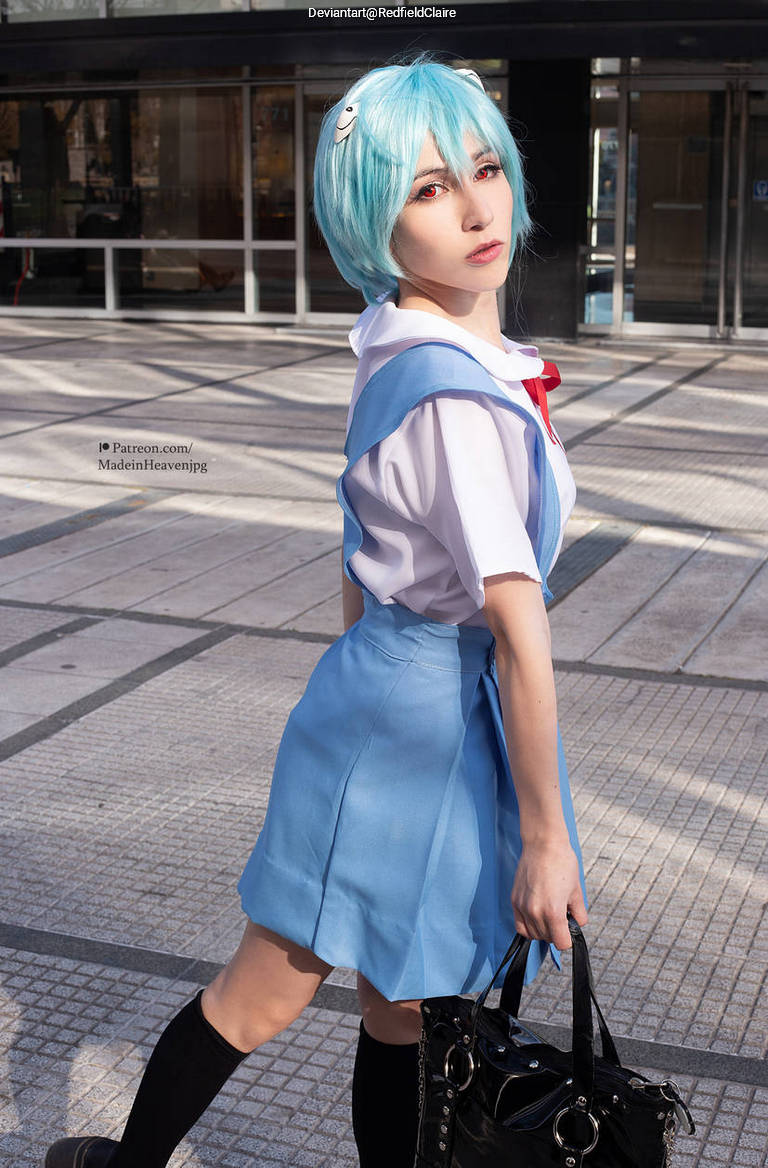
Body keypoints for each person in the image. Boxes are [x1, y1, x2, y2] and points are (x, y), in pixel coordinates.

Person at [44, 51, 589, 1168]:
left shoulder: (417, 345)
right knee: (268, 991)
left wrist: (368, 666)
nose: (477, 205)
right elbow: (521, 627)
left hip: (404, 701)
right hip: (415, 722)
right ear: (373, 224)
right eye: (426, 190)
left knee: (403, 1003)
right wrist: (544, 840)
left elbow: (359, 546)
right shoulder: (450, 392)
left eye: (483, 168)